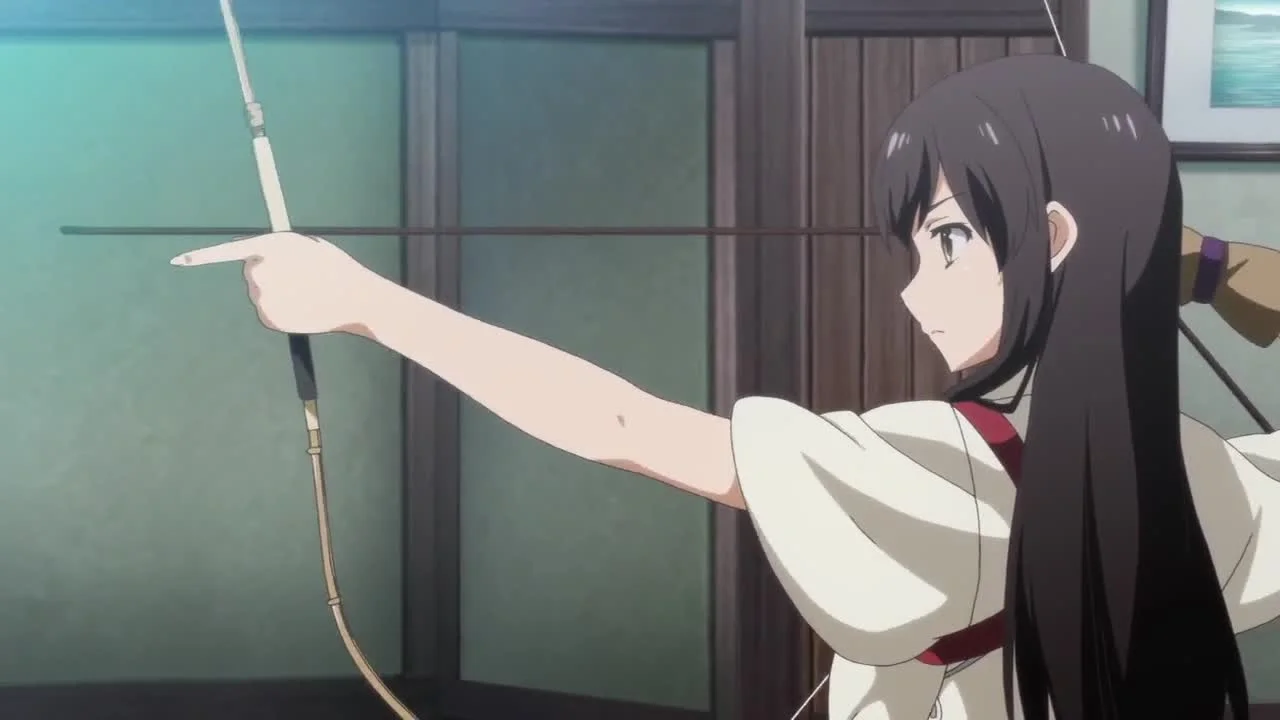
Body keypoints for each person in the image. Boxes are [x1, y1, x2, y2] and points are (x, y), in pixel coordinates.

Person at [171, 55, 1280, 720]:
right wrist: (1205, 265)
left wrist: (364, 303)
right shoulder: (1206, 473)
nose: (913, 292)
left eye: (946, 239)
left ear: (1055, 238)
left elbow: (622, 424)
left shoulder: (947, 466)